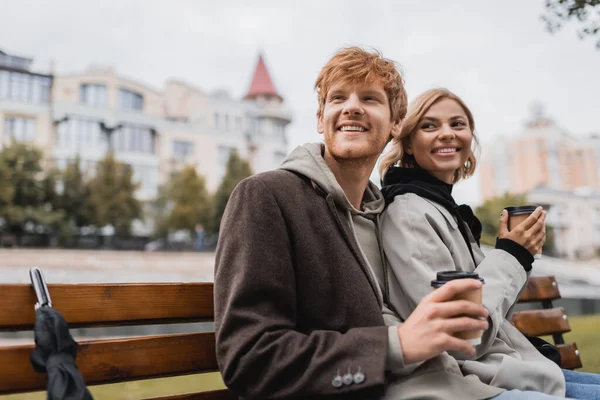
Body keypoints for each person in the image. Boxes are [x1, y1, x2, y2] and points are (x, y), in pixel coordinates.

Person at [214, 48, 497, 399]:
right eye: (338, 98)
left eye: (369, 98)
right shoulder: (266, 196)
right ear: (321, 119)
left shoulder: (386, 213)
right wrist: (396, 345)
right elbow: (250, 358)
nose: (351, 107)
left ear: (396, 123)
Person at [379, 88, 600, 399]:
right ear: (409, 144)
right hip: (470, 380)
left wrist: (515, 257)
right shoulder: (409, 213)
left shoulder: (439, 208)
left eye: (458, 124)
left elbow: (490, 315)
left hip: (502, 367)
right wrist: (511, 255)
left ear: (470, 138)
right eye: (429, 126)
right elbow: (464, 338)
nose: (446, 134)